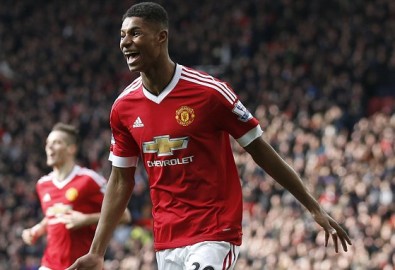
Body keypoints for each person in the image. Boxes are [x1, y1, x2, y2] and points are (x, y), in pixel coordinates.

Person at [67, 2, 352, 270]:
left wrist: (313, 207)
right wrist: (97, 250)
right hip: (166, 238)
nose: (125, 42)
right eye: (122, 35)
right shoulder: (123, 108)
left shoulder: (209, 92)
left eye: (135, 33)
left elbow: (261, 150)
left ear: (161, 37)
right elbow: (120, 179)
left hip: (214, 230)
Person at [21, 123, 131, 270]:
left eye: (56, 143)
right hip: (49, 264)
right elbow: (53, 215)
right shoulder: (42, 184)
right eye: (48, 143)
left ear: (71, 148)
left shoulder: (89, 180)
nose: (49, 147)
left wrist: (86, 219)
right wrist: (37, 229)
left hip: (81, 265)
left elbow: (125, 215)